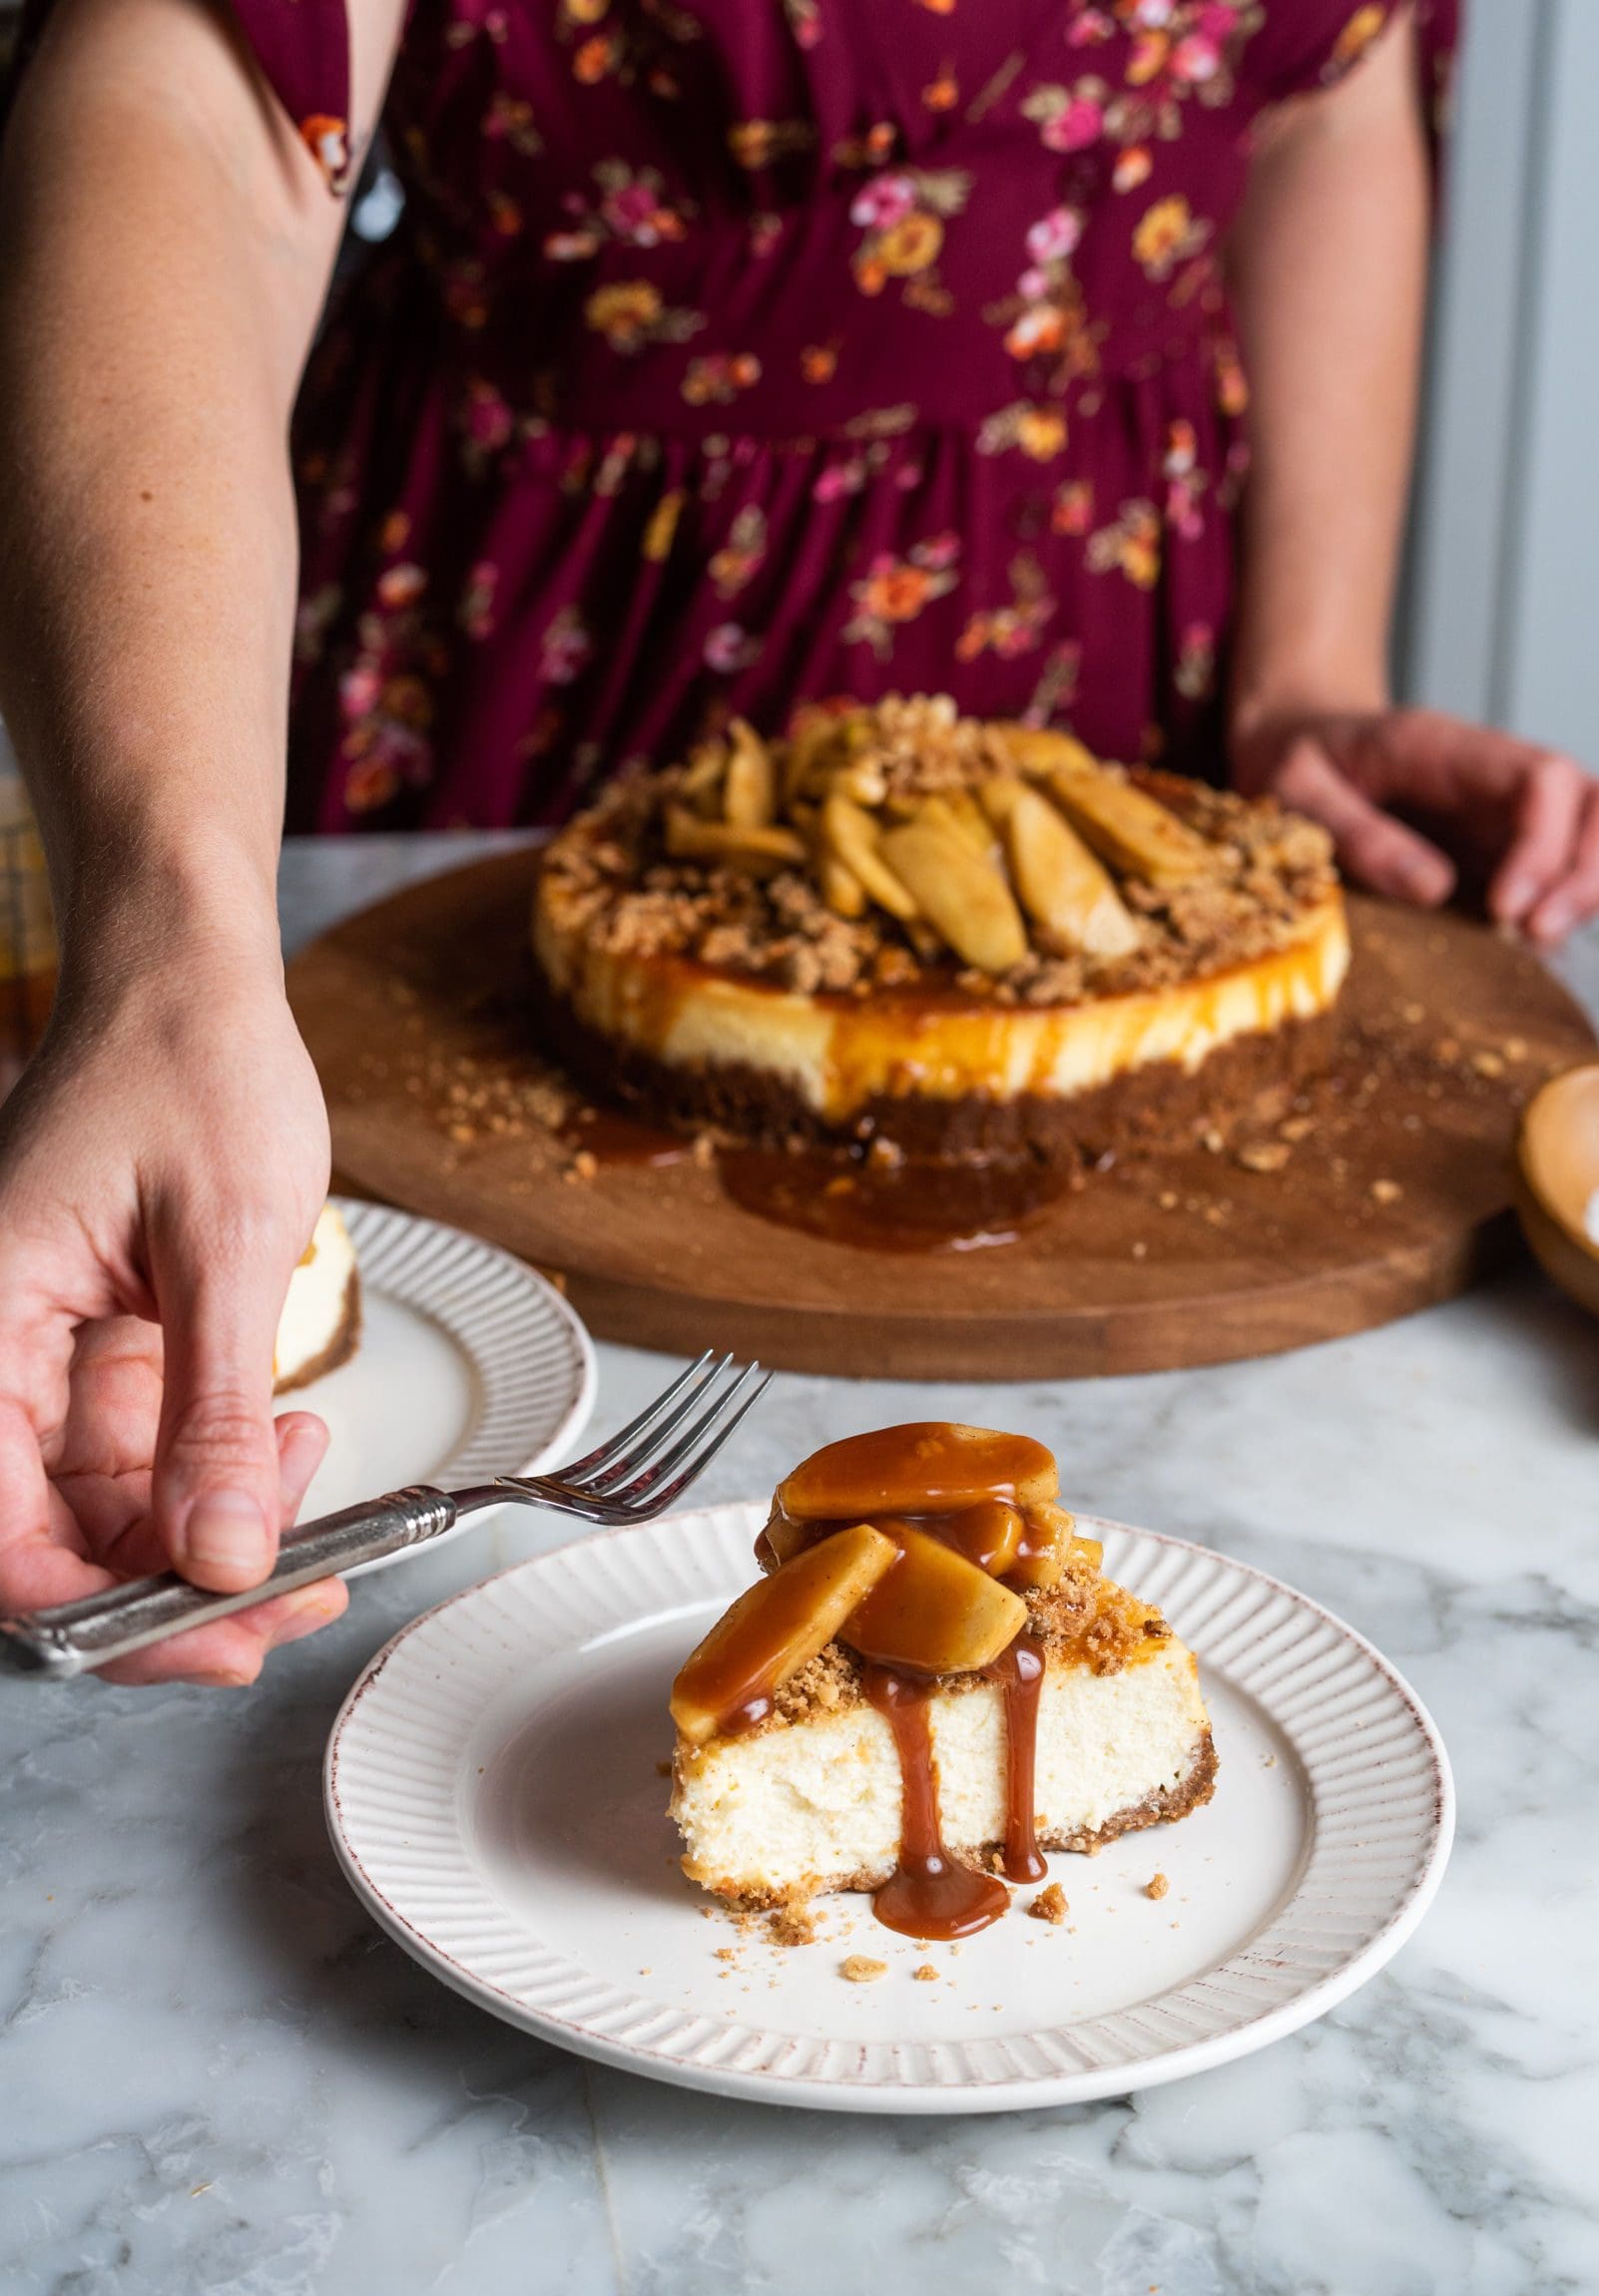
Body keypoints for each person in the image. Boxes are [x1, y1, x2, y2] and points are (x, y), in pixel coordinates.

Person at [0, 0, 1592, 1686]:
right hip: (526, 662)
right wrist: (172, 942)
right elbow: (188, 107)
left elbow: (1320, 98)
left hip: (1116, 640)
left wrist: (1307, 676)